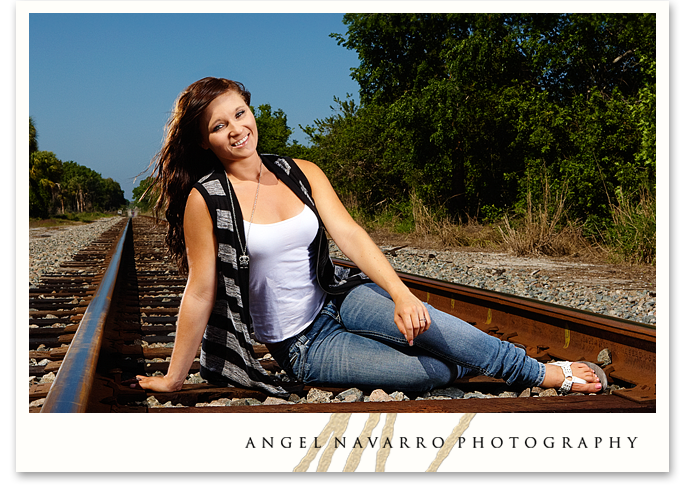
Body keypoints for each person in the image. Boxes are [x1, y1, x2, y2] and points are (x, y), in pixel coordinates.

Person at [134, 77, 607, 398]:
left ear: (251, 111)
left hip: (341, 297)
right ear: (204, 141)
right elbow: (200, 291)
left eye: (240, 113)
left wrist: (400, 295)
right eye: (220, 126)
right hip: (304, 345)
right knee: (433, 371)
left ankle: (541, 373)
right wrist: (176, 377)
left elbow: (351, 236)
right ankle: (467, 358)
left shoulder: (300, 172)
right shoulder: (207, 199)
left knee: (432, 325)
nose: (237, 129)